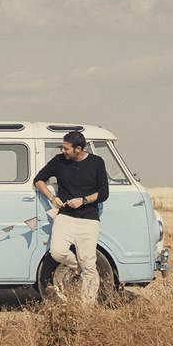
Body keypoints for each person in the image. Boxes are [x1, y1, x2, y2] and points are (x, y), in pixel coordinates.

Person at [34, 130, 109, 305]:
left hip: (89, 219)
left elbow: (104, 193)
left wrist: (83, 200)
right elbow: (39, 180)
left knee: (89, 263)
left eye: (66, 148)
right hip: (65, 216)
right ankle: (76, 266)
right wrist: (52, 198)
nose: (63, 151)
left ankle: (86, 307)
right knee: (57, 251)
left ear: (78, 149)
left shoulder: (97, 163)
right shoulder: (60, 161)